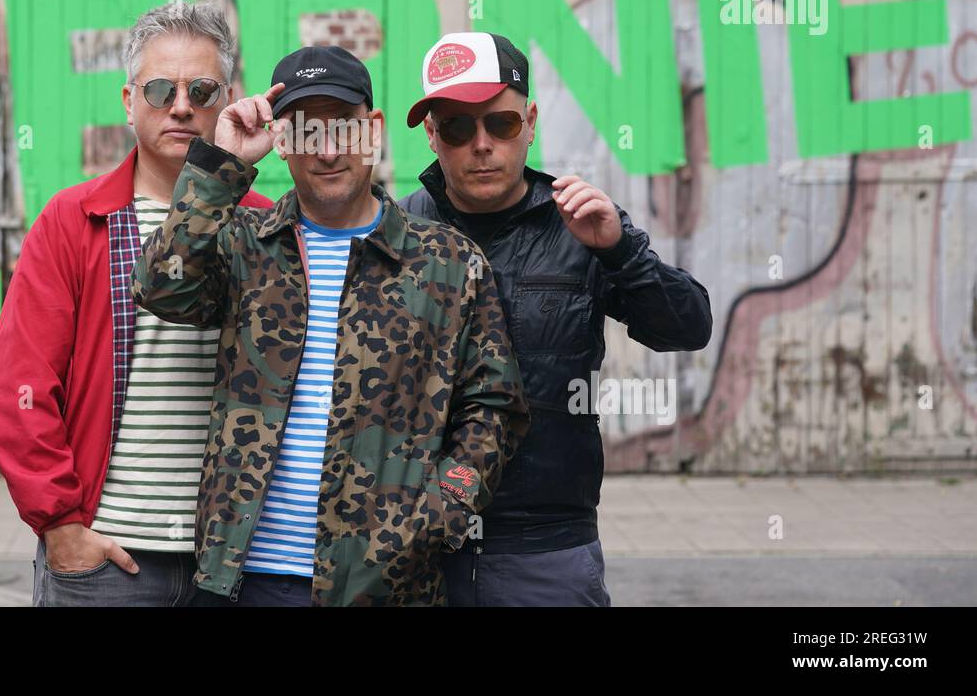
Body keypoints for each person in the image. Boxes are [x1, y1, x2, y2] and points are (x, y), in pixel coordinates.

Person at [132, 44, 530, 606]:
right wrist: (223, 166)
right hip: (245, 581)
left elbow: (495, 407)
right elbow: (161, 286)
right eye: (304, 132)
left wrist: (437, 515)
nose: (326, 151)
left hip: (386, 584)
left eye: (342, 129)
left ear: (374, 130)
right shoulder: (246, 243)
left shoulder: (446, 262)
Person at [400, 31, 713, 606]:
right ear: (432, 135)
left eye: (501, 124)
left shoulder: (581, 224)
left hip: (546, 549)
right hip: (419, 551)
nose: (482, 146)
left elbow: (688, 327)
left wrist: (619, 252)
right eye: (458, 128)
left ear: (531, 121)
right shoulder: (397, 234)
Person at [0, 1, 273, 606]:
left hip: (234, 566)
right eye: (160, 87)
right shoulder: (75, 221)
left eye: (201, 88)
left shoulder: (262, 227)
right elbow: (20, 385)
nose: (181, 105)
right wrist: (61, 525)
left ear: (226, 100)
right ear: (126, 100)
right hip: (109, 565)